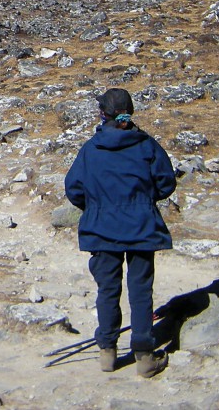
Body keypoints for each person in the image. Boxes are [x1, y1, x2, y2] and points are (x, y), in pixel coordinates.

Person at [64, 88, 176, 378]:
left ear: (102, 114)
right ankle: (144, 355)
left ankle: (107, 353)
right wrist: (143, 201)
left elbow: (74, 189)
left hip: (102, 228)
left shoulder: (91, 149)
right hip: (141, 226)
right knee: (140, 291)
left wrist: (96, 207)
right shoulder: (146, 145)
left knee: (108, 290)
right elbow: (166, 183)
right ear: (130, 111)